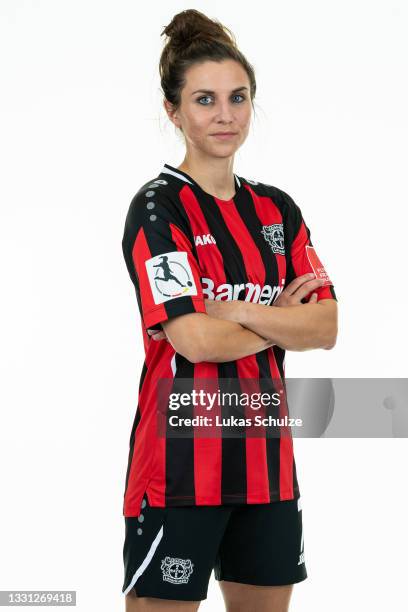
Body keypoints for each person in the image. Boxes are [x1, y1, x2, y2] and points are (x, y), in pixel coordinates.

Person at [121, 9, 338, 612]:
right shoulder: (159, 210)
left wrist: (229, 310)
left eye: (237, 98)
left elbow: (325, 326)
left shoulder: (277, 210)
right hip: (180, 469)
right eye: (205, 99)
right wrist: (273, 320)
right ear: (174, 111)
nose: (224, 114)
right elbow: (194, 341)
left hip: (268, 467)